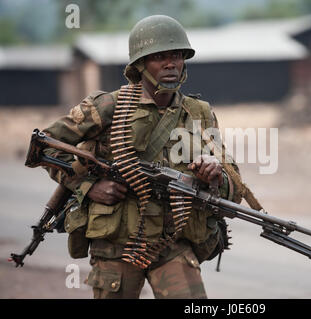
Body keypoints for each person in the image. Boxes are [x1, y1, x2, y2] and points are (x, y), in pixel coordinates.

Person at [42, 15, 242, 299]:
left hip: (172, 242)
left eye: (177, 55)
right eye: (159, 56)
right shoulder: (109, 106)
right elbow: (47, 146)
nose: (170, 63)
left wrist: (216, 175)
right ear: (140, 64)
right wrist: (88, 187)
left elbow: (233, 186)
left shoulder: (198, 113)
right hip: (116, 244)